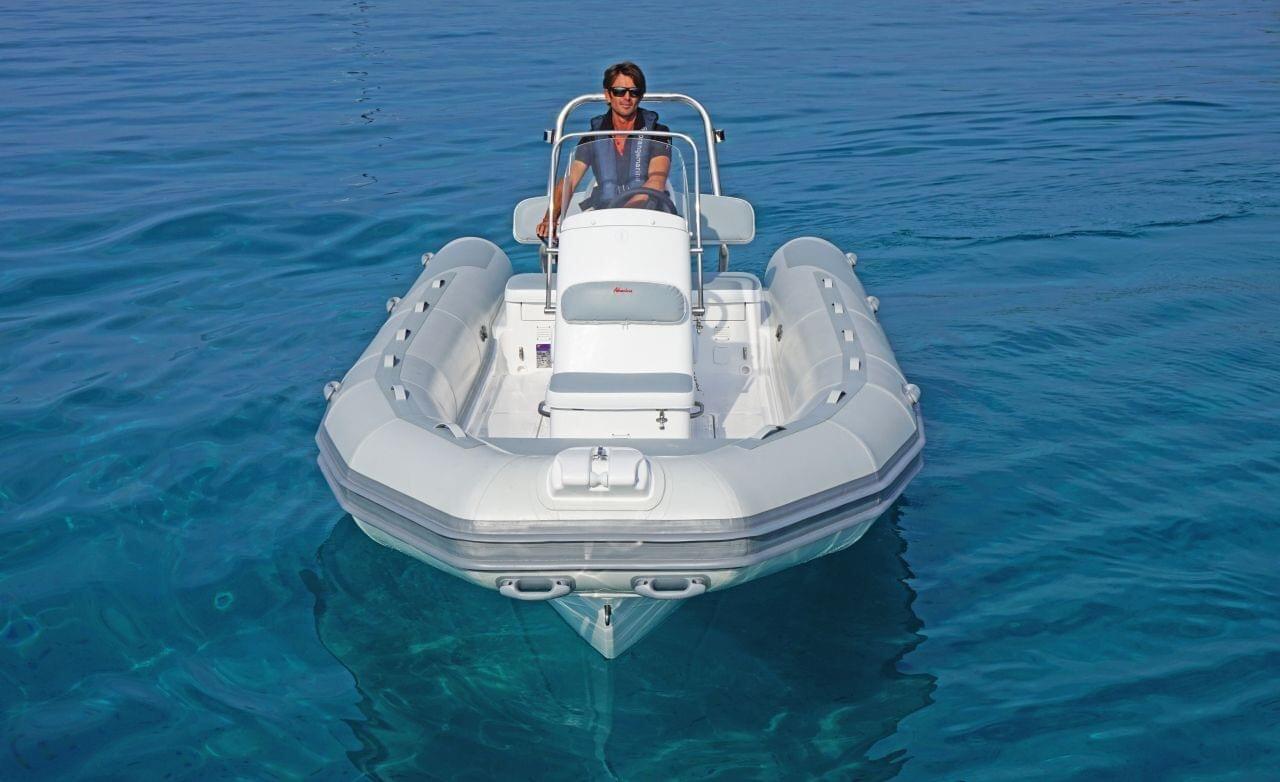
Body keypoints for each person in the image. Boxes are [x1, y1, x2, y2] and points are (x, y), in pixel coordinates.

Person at [536, 62, 672, 239]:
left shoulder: (658, 132)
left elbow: (657, 180)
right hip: (605, 216)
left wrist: (624, 216)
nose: (627, 97)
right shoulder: (594, 135)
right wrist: (550, 218)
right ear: (608, 95)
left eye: (634, 92)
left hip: (649, 216)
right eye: (619, 91)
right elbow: (570, 179)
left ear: (640, 96)